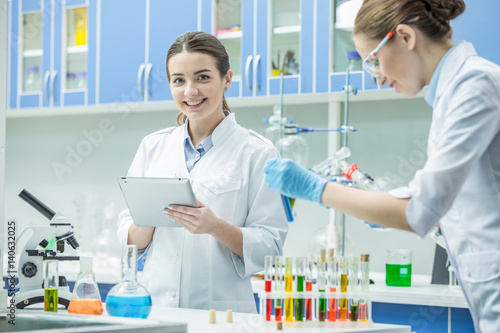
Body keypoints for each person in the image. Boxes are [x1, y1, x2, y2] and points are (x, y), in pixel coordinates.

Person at [263, 0, 500, 331]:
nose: (376, 78)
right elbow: (465, 203)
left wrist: (317, 189)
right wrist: (383, 202)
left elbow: (420, 211)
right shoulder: (454, 92)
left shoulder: (475, 86)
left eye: (373, 61)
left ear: (405, 36)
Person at [117, 31, 288, 313]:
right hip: (157, 308)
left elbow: (270, 247)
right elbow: (129, 242)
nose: (190, 91)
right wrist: (147, 218)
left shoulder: (259, 153)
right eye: (179, 80)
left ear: (227, 79)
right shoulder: (152, 147)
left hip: (222, 316)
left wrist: (216, 227)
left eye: (203, 77)